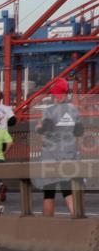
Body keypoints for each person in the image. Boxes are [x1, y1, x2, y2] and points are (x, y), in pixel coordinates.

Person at [36, 77, 84, 217]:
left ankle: (47, 225)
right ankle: (78, 219)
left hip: (50, 158)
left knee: (49, 193)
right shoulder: (74, 111)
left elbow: (43, 134)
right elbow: (78, 134)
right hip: (68, 156)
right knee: (68, 191)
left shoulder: (49, 112)